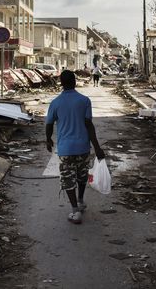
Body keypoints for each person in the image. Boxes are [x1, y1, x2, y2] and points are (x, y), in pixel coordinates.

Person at [45, 70, 105, 224]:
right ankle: (80, 201)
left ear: (61, 83)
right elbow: (89, 125)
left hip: (65, 149)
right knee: (82, 176)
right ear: (75, 82)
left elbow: (49, 124)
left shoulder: (55, 102)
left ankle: (75, 211)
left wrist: (48, 139)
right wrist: (97, 147)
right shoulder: (84, 101)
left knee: (68, 179)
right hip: (83, 147)